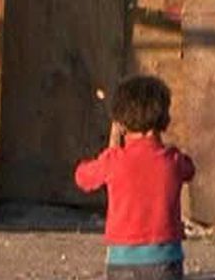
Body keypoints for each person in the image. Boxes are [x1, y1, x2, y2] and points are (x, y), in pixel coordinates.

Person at [75, 75, 196, 280]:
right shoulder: (173, 159)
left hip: (122, 261)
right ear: (163, 117)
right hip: (165, 260)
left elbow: (82, 177)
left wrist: (112, 148)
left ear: (120, 122)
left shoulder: (114, 160)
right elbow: (189, 170)